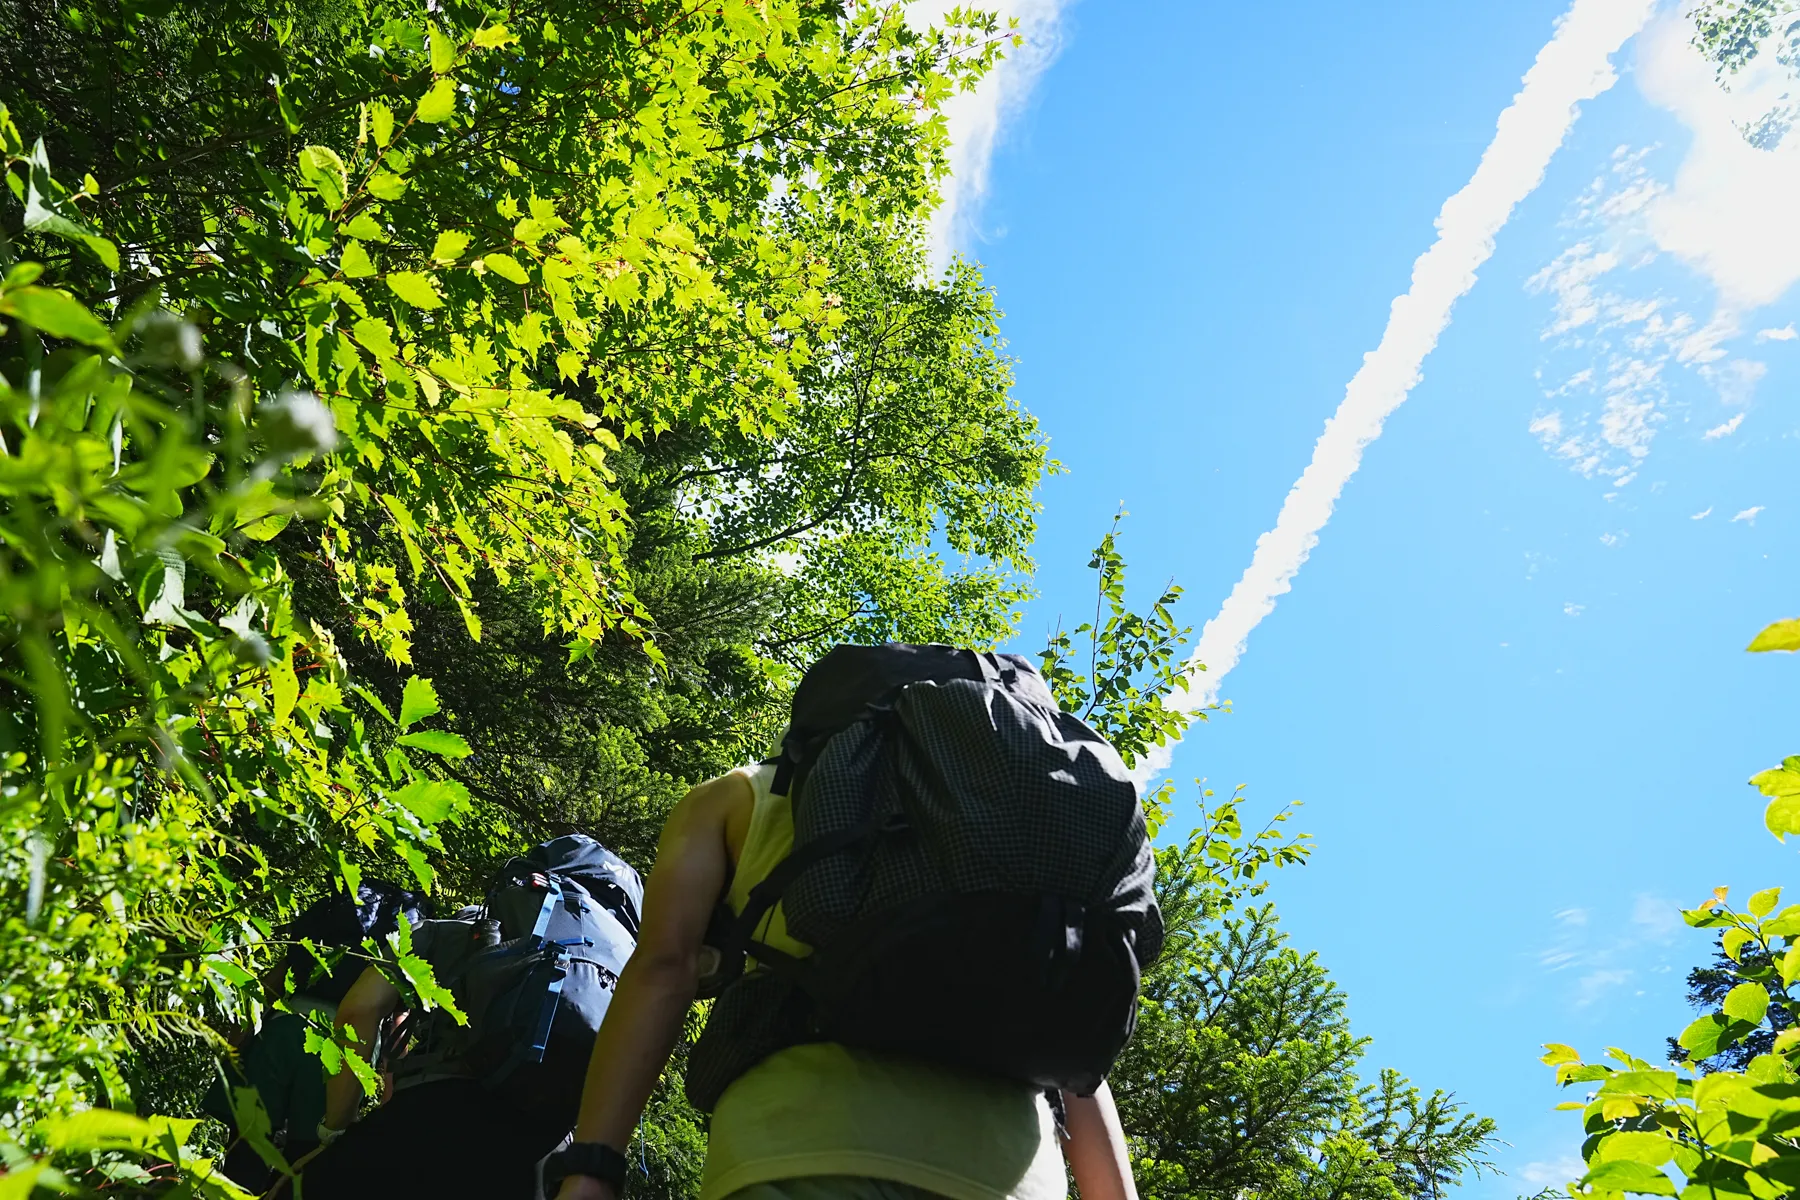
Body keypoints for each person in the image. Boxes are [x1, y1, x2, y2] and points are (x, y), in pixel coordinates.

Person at [549, 760, 1141, 1200]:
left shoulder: (742, 795)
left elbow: (663, 967)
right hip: (1012, 1177)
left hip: (789, 1159)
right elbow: (1078, 1057)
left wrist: (594, 1167)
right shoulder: (1022, 844)